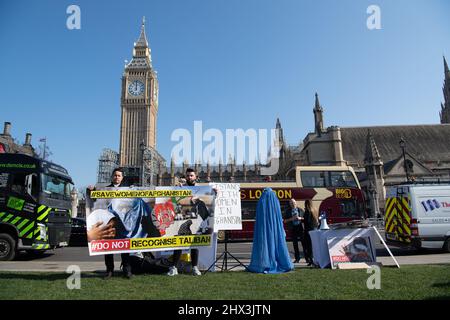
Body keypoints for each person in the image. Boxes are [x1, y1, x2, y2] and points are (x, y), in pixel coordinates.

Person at [87, 168, 132, 279]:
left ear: (122, 177)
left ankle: (127, 271)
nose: (117, 177)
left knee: (125, 247)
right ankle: (109, 271)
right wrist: (90, 190)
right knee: (108, 248)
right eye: (115, 175)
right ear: (112, 177)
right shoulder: (105, 189)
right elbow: (94, 198)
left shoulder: (128, 189)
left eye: (119, 175)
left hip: (123, 222)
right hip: (109, 221)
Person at [167, 168, 202, 276]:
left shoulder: (201, 189)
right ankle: (174, 267)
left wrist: (215, 193)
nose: (189, 177)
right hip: (182, 218)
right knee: (179, 243)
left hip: (195, 219)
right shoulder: (180, 188)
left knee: (194, 244)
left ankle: (195, 267)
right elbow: (173, 200)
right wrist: (177, 190)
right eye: (188, 176)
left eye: (191, 175)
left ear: (196, 176)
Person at [283, 198, 305, 263]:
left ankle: (307, 258)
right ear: (290, 204)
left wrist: (300, 218)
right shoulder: (288, 211)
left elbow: (305, 218)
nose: (293, 204)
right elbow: (284, 221)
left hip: (300, 227)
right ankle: (297, 258)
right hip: (293, 228)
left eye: (294, 203)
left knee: (304, 243)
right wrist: (291, 219)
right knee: (295, 244)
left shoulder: (300, 210)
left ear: (296, 203)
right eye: (291, 203)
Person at [303, 199, 319, 266]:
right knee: (314, 245)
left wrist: (302, 219)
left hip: (308, 230)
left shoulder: (308, 211)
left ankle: (311, 260)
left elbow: (307, 221)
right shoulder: (314, 210)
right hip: (314, 229)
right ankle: (315, 259)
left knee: (309, 246)